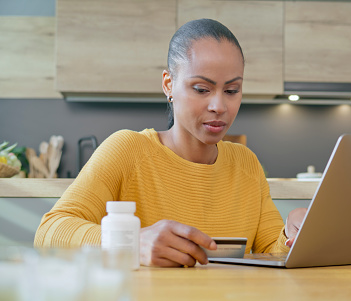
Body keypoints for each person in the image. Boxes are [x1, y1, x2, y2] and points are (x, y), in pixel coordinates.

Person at [34, 19, 307, 267]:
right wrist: (130, 243)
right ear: (168, 84)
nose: (219, 106)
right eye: (201, 89)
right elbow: (49, 231)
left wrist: (292, 233)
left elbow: (272, 250)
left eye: (232, 90)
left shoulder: (246, 162)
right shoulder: (127, 150)